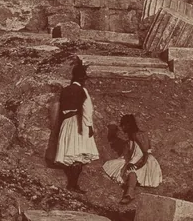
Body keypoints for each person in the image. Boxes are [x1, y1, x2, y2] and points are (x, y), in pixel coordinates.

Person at [49, 63, 99, 192]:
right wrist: (89, 127)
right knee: (78, 155)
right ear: (82, 79)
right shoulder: (82, 90)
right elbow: (88, 110)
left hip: (66, 123)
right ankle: (73, 185)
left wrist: (58, 127)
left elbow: (59, 110)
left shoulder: (65, 90)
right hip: (78, 123)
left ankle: (72, 183)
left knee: (71, 153)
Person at [102, 113, 162, 205]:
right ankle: (130, 182)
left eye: (123, 126)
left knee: (131, 172)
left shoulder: (139, 135)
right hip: (135, 159)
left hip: (145, 161)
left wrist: (137, 165)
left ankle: (129, 194)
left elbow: (145, 153)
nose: (122, 129)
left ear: (128, 125)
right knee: (114, 165)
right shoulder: (131, 136)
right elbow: (130, 152)